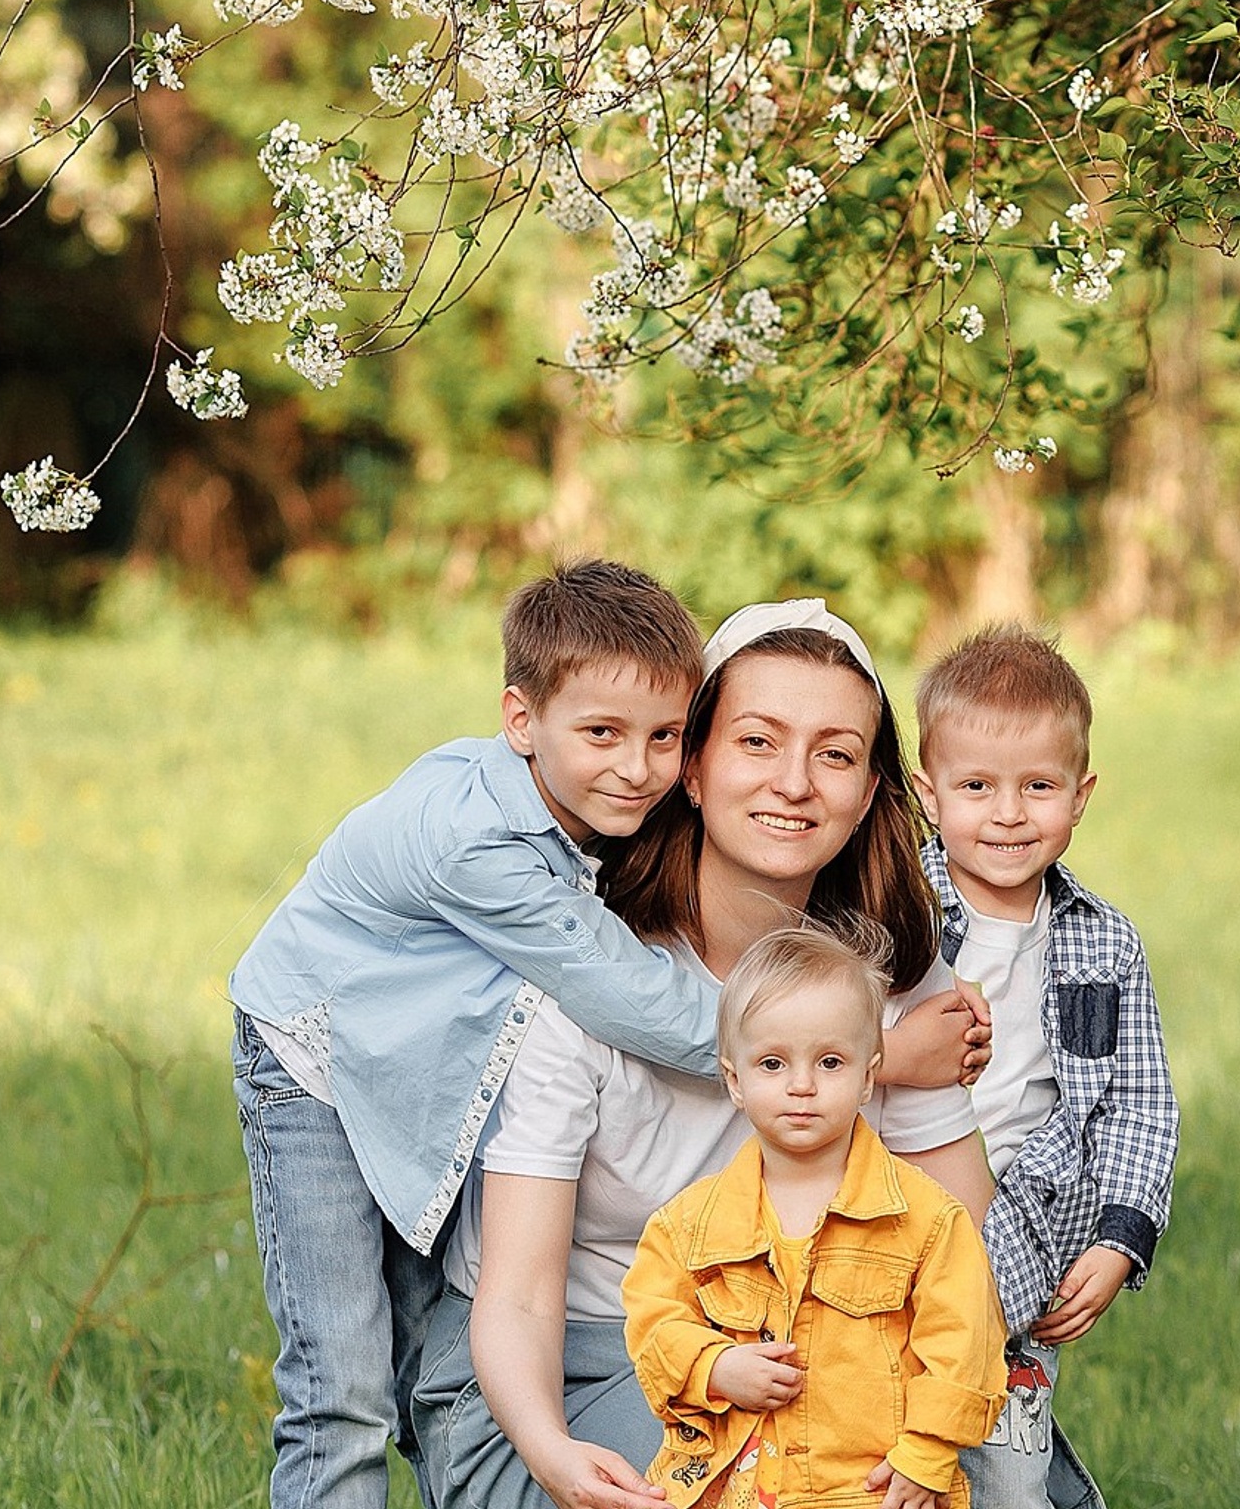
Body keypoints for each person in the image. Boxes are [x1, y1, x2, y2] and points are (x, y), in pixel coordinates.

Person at [413, 599, 996, 1509]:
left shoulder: (896, 980)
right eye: (757, 742)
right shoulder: (592, 980)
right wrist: (551, 1451)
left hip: (825, 1368)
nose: (795, 784)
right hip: (563, 1368)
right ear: (692, 767)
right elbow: (520, 1296)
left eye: (836, 754)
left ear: (874, 791)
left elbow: (962, 1249)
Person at [230, 559, 723, 1509]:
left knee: (428, 1361)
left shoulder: (562, 797)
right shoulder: (476, 843)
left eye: (666, 737)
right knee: (342, 1381)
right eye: (603, 734)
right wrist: (851, 1045)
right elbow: (633, 1001)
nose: (638, 767)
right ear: (521, 721)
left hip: (418, 1055)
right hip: (314, 1055)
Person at [912, 624, 1181, 1509]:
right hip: (895, 1234)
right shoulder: (893, 912)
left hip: (1027, 1245)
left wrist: (1119, 1237)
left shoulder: (1104, 942)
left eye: (1039, 787)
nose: (1008, 813)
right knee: (883, 1450)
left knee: (1004, 1475)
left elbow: (1139, 1106)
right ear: (928, 793)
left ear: (1081, 793)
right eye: (977, 787)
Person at [621, 920, 1008, 1509]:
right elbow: (652, 1321)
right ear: (735, 1080)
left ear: (867, 1076)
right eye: (773, 1064)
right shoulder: (687, 1226)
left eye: (829, 1063)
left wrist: (928, 1453)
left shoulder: (926, 1220)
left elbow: (966, 1341)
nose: (801, 1086)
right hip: (733, 1489)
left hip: (870, 1490)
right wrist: (714, 1367)